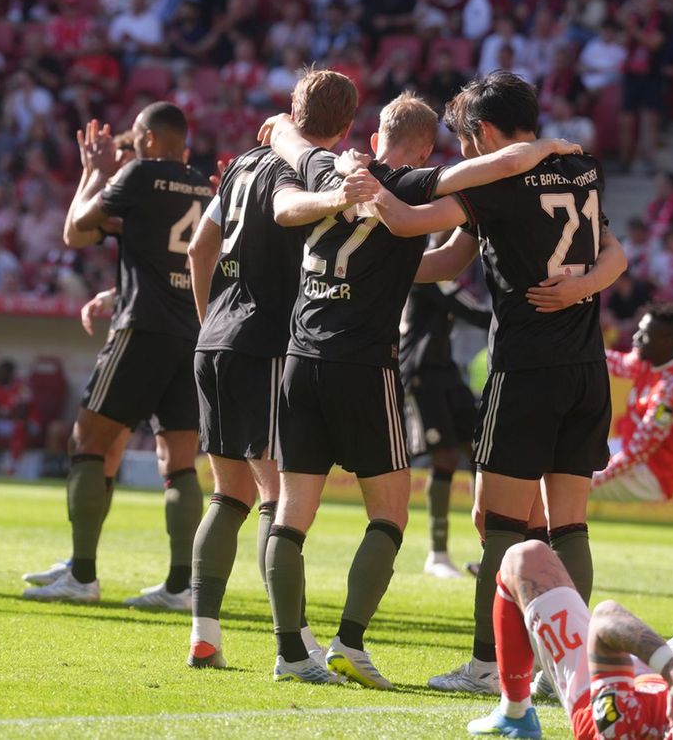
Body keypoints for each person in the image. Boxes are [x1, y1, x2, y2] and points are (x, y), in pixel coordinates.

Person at [257, 89, 584, 689]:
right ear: (429, 149)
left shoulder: (326, 169)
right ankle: (350, 642)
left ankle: (289, 653)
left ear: (374, 137)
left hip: (300, 358)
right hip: (366, 365)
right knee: (389, 514)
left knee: (290, 514)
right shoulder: (412, 186)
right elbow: (500, 167)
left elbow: (287, 150)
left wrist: (281, 123)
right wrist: (547, 147)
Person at [352, 72, 626, 695]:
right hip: (586, 367)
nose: (466, 154)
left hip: (526, 369)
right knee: (568, 527)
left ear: (484, 132)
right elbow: (455, 260)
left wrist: (368, 196)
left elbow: (408, 222)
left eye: (467, 141)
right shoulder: (580, 167)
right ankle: (565, 667)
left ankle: (488, 666)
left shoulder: (498, 180)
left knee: (499, 523)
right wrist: (584, 287)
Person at [181, 70, 356, 669]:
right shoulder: (306, 171)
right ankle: (294, 646)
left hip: (215, 341)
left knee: (227, 493)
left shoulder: (241, 164)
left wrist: (210, 323)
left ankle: (204, 632)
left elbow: (198, 249)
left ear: (293, 108)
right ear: (345, 127)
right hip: (267, 343)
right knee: (278, 497)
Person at [25, 105, 211, 609]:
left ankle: (82, 575)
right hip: (192, 334)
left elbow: (75, 229)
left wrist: (95, 172)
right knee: (179, 462)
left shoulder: (139, 175)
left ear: (147, 140)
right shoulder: (203, 187)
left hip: (142, 328)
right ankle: (180, 586)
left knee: (88, 442)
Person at [466, 542, 673, 740]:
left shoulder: (623, 725)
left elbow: (606, 620)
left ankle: (515, 712)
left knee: (524, 557)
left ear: (672, 723)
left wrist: (672, 668)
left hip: (606, 682)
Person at [399, 248, 490, 579]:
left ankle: (492, 550)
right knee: (446, 457)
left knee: (480, 452)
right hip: (421, 373)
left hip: (445, 371)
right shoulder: (426, 267)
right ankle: (437, 554)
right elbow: (469, 309)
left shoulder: (437, 271)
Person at [592, 303, 673, 503]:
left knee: (566, 481)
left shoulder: (672, 391)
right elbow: (622, 365)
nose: (636, 338)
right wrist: (580, 354)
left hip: (650, 475)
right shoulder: (655, 354)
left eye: (644, 334)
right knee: (566, 461)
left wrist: (592, 480)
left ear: (667, 341)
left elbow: (638, 451)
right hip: (628, 449)